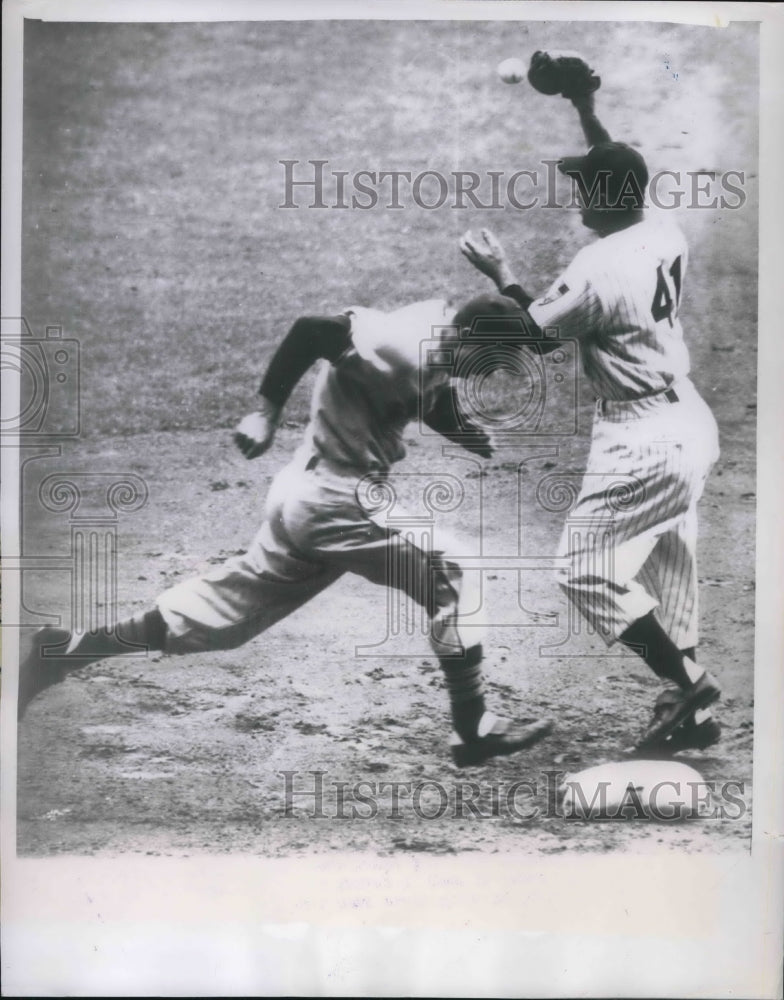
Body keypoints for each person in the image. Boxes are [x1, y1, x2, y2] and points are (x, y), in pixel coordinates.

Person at [18, 295, 552, 768]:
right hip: (342, 501)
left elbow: (419, 392)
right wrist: (266, 414)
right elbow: (311, 330)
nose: (479, 373)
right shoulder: (402, 344)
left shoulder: (436, 336)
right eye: (482, 359)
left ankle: (64, 653)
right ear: (463, 336)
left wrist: (462, 432)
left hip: (305, 493)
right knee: (453, 571)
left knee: (222, 617)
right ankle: (473, 730)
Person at [459, 83, 721, 754]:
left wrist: (500, 272)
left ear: (608, 198)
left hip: (641, 438)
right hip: (687, 420)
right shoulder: (658, 226)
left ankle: (685, 682)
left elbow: (534, 336)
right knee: (671, 556)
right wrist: (582, 101)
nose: (575, 196)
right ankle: (691, 711)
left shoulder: (598, 267)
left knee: (583, 568)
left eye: (583, 188)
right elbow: (611, 160)